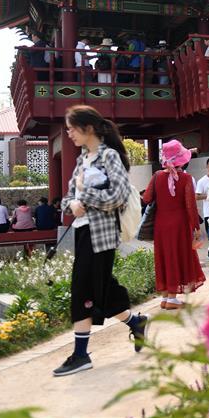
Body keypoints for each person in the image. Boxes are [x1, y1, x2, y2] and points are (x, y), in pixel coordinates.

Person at [54, 104, 147, 377]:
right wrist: (72, 204)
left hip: (102, 235)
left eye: (72, 128)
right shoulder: (83, 159)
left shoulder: (110, 157)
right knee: (104, 291)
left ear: (88, 128)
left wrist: (85, 198)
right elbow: (66, 198)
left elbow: (117, 196)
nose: (69, 133)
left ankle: (81, 355)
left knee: (82, 291)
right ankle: (137, 323)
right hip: (83, 232)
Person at [142, 140, 205, 310]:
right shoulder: (185, 178)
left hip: (161, 224)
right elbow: (190, 206)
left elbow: (147, 198)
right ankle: (172, 298)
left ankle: (165, 297)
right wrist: (196, 228)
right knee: (177, 256)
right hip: (180, 225)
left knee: (165, 256)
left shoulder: (156, 176)